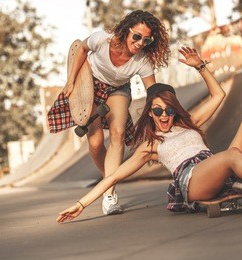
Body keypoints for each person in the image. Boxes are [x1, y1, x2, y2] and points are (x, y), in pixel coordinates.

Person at [56, 46, 242, 223]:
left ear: (174, 110)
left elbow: (218, 95)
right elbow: (111, 178)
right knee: (228, 157)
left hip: (214, 167)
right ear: (151, 114)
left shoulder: (189, 123)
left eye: (168, 110)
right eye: (158, 111)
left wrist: (200, 66)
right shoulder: (149, 146)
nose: (164, 115)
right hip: (193, 182)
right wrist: (81, 205)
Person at [53, 10, 170, 215]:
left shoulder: (142, 61)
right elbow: (80, 48)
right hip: (89, 85)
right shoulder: (102, 40)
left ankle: (109, 195)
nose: (141, 43)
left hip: (118, 90)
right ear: (127, 31)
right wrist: (71, 81)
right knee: (96, 143)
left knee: (118, 134)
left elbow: (153, 92)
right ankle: (110, 179)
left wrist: (163, 112)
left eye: (147, 39)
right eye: (137, 36)